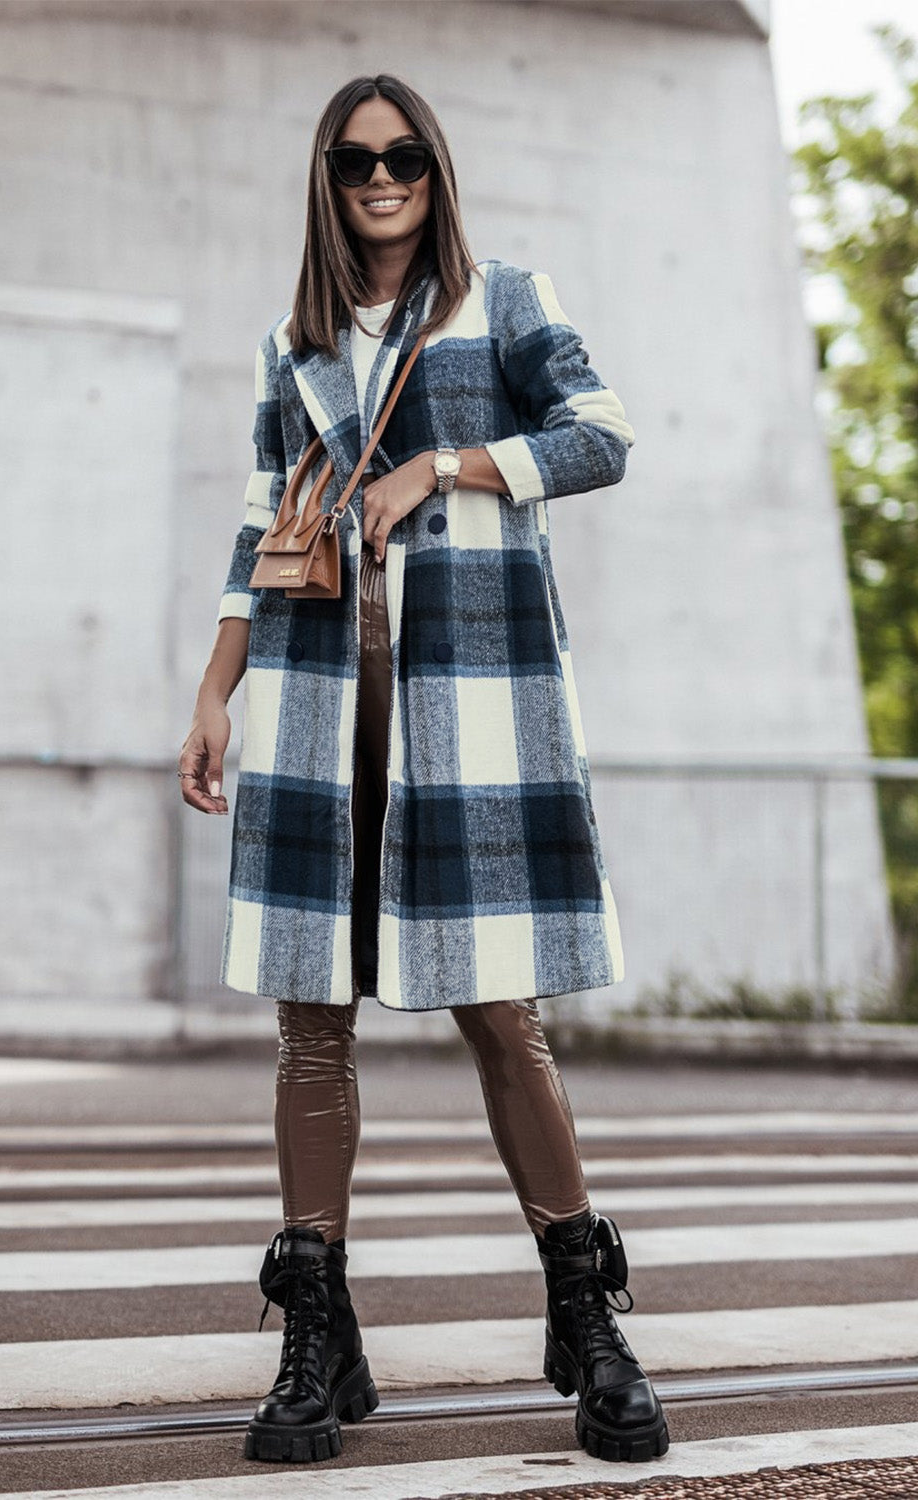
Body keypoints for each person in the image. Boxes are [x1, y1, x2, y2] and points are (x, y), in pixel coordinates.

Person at [179, 74, 668, 1469]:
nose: (380, 179)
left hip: (473, 721)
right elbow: (257, 522)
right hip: (320, 713)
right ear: (327, 183)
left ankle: (587, 1315)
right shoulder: (298, 341)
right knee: (309, 1026)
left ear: (433, 172)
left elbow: (605, 433)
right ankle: (318, 1333)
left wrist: (442, 466)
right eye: (354, 161)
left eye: (402, 158)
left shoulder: (503, 300)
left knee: (504, 1018)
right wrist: (214, 694)